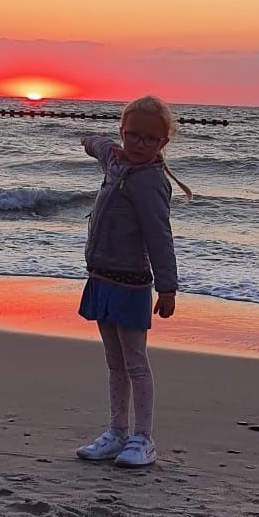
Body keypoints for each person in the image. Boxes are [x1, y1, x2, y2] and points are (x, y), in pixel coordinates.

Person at [73, 94, 192, 469]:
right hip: (101, 277)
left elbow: (160, 237)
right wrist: (86, 139)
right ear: (122, 132)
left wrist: (167, 287)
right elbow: (100, 146)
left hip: (132, 284)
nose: (140, 144)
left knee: (135, 362)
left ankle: (144, 438)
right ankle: (116, 433)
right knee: (114, 362)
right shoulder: (114, 160)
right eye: (133, 135)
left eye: (150, 139)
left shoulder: (151, 182)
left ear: (163, 143)